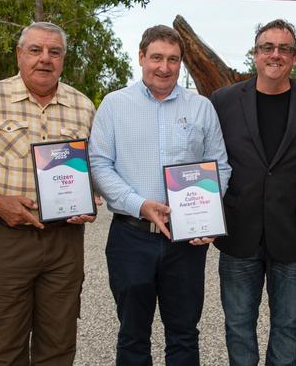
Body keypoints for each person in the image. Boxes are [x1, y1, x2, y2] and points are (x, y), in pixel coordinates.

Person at [0, 21, 95, 365]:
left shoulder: (83, 106)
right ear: (19, 54)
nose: (45, 59)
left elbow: (95, 167)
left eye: (54, 52)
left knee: (58, 345)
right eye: (35, 50)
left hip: (65, 240)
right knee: (5, 344)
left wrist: (91, 199)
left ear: (63, 59)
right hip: (7, 237)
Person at [89, 25, 231, 366]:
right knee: (133, 333)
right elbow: (99, 164)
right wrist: (140, 204)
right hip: (131, 236)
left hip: (185, 242)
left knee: (184, 334)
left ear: (180, 63)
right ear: (141, 58)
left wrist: (207, 214)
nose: (164, 67)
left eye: (173, 59)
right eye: (156, 58)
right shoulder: (114, 105)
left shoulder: (201, 108)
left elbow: (221, 167)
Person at [210, 19, 296, 366]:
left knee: (287, 327)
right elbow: (204, 157)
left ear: (295, 57)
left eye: (284, 49)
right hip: (238, 235)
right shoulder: (223, 101)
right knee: (237, 327)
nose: (275, 54)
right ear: (255, 54)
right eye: (268, 47)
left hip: (292, 237)